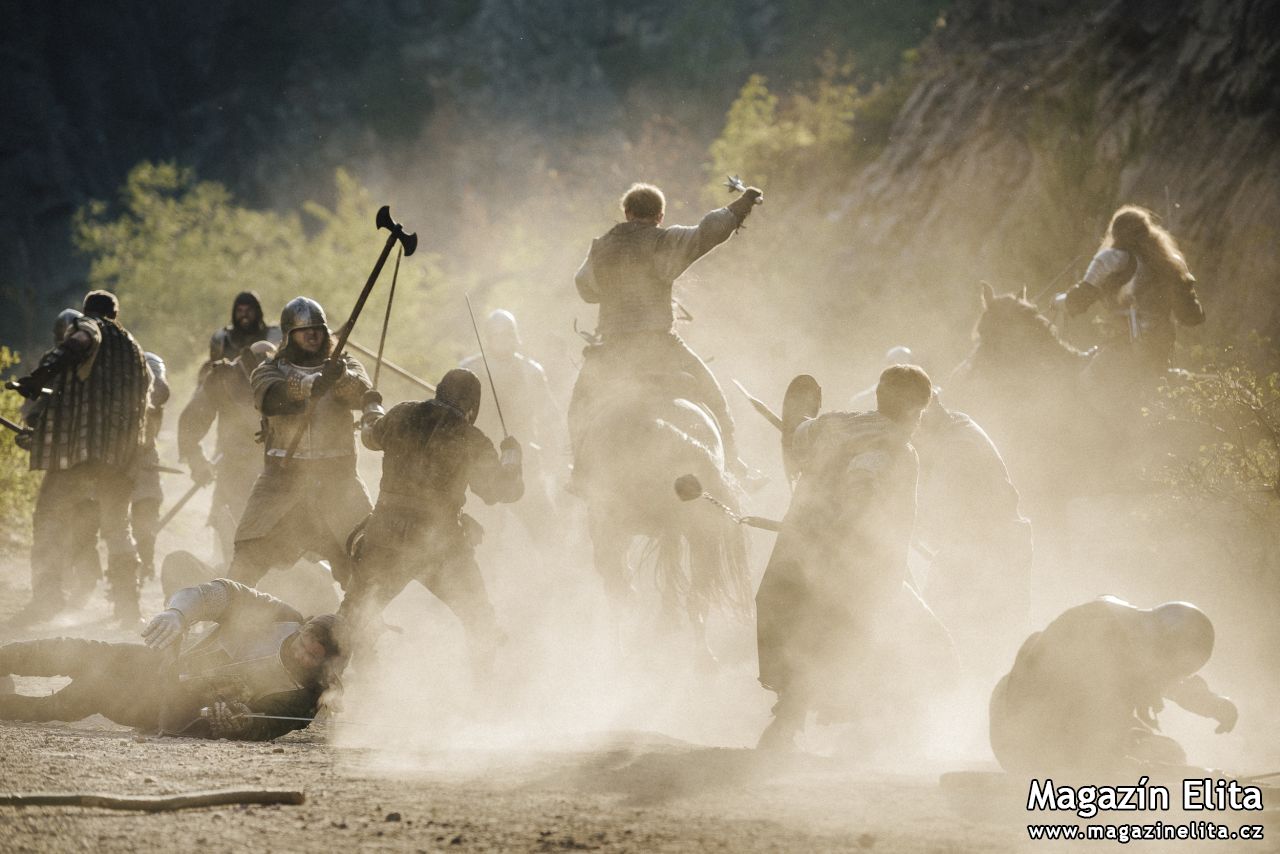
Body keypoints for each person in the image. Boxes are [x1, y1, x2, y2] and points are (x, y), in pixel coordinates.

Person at [755, 364, 950, 750]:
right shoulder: (896, 446)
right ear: (914, 412)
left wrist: (801, 422)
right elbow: (865, 474)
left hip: (799, 553)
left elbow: (800, 436)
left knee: (804, 628)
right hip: (854, 564)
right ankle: (878, 734)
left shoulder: (837, 422)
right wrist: (843, 522)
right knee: (875, 639)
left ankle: (790, 720)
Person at [569, 182, 762, 489]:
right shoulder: (665, 241)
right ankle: (735, 467)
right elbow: (708, 231)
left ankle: (579, 473)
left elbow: (585, 288)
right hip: (659, 345)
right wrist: (742, 204)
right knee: (715, 399)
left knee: (580, 405)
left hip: (613, 350)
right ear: (659, 216)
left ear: (627, 212)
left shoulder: (600, 246)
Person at [339, 368, 523, 675]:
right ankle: (484, 697)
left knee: (352, 616)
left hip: (384, 535)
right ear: (472, 406)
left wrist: (372, 404)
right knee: (479, 619)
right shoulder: (471, 438)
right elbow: (500, 490)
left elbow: (370, 435)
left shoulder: (402, 415)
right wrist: (512, 458)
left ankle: (319, 689)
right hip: (440, 544)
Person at [0, 578, 345, 740]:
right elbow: (216, 593)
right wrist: (178, 614)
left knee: (84, 694)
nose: (302, 653)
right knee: (75, 650)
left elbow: (266, 725)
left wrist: (239, 724)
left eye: (313, 656)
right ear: (303, 628)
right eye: (304, 642)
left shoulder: (304, 698)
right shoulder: (280, 616)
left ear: (326, 665)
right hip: (166, 662)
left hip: (175, 709)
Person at [8, 290, 151, 624]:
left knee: (49, 520)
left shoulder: (89, 327)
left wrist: (39, 375)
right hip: (120, 460)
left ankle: (47, 600)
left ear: (91, 313)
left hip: (81, 456)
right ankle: (128, 608)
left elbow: (83, 338)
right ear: (117, 313)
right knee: (119, 530)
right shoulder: (135, 349)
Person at [989, 597, 1237, 776]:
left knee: (1162, 752)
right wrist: (1179, 775)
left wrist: (1210, 703)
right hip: (1031, 747)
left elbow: (1162, 678)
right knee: (1163, 754)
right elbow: (1097, 754)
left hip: (1042, 733)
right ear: (1165, 649)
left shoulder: (1131, 636)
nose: (1170, 676)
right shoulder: (1099, 649)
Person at [227, 297, 375, 589]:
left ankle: (361, 629)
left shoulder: (345, 365)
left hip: (338, 483)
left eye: (318, 329)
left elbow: (365, 394)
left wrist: (341, 379)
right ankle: (224, 620)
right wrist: (305, 386)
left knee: (366, 563)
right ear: (288, 335)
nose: (312, 335)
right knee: (245, 563)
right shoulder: (269, 370)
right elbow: (270, 399)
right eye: (304, 330)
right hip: (281, 484)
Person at [915, 390, 1033, 682]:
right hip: (981, 546)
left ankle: (967, 706)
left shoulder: (958, 447)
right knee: (951, 632)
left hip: (992, 551)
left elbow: (934, 508)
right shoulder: (953, 426)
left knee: (952, 634)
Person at [1061, 206, 1205, 376]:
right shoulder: (1171, 263)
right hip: (1159, 352)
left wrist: (1059, 301)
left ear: (1115, 234)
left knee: (1083, 385)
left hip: (1122, 353)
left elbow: (1079, 300)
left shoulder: (1113, 259)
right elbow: (1192, 316)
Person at [459, 309, 560, 542]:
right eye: (498, 335)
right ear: (489, 338)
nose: (503, 341)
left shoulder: (532, 372)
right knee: (480, 532)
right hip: (480, 462)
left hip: (524, 462)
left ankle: (555, 576)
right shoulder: (470, 369)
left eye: (507, 335)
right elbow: (451, 418)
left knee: (548, 528)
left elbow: (549, 417)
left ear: (515, 337)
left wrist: (553, 454)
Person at [178, 340, 275, 564]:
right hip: (234, 471)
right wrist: (197, 460)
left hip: (276, 471)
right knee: (231, 533)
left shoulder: (283, 374)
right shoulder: (224, 377)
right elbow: (192, 420)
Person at [128, 351, 170, 580]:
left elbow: (160, 393)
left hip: (144, 462)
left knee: (145, 519)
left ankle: (144, 563)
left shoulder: (156, 390)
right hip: (115, 462)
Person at [209, 291, 281, 363]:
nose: (244, 315)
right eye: (240, 310)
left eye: (249, 310)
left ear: (257, 312)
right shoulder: (222, 339)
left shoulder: (275, 336)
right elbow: (213, 368)